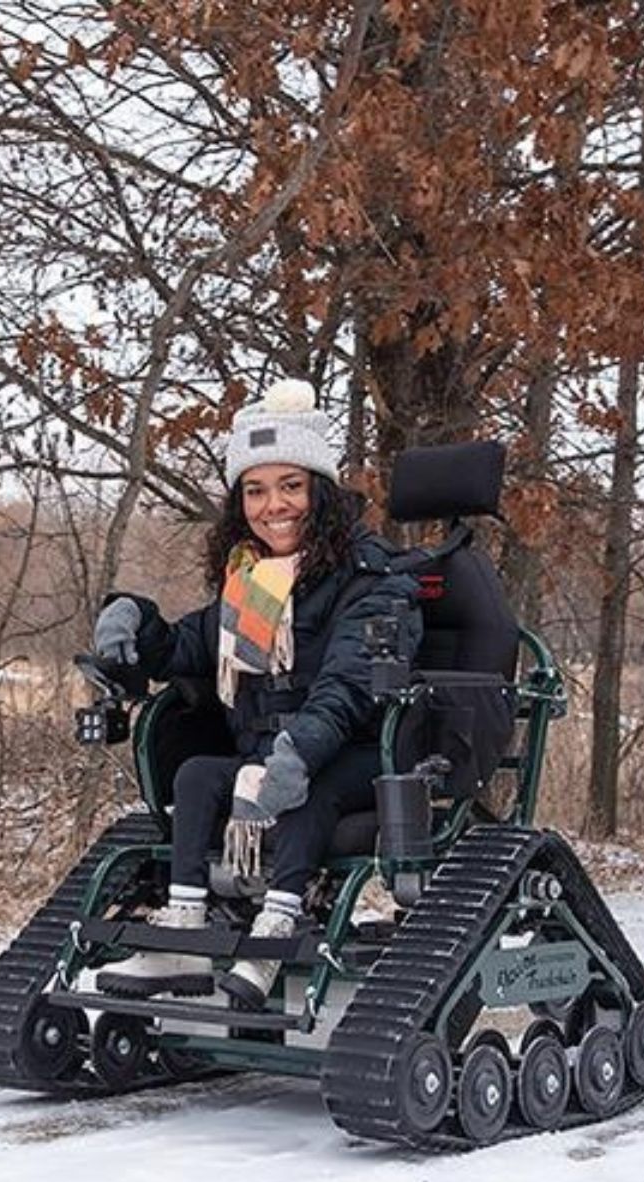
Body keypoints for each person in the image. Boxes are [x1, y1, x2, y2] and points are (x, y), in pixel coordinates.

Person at [89, 378, 420, 1009]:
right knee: (194, 775)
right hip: (268, 750)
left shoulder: (372, 579)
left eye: (291, 486)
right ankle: (186, 928)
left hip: (352, 754)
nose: (274, 506)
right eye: (256, 490)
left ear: (319, 492)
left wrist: (297, 751)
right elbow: (190, 646)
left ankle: (277, 927)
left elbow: (349, 685)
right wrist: (133, 619)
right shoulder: (253, 583)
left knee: (303, 788)